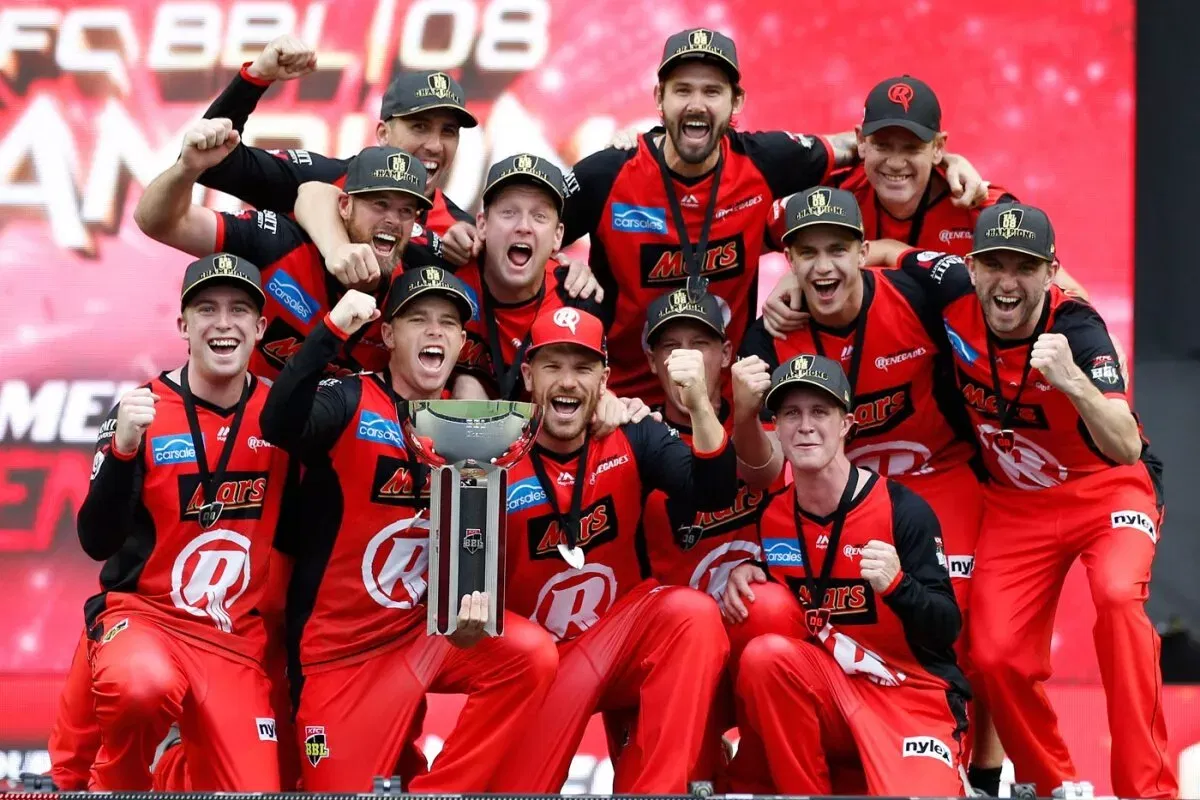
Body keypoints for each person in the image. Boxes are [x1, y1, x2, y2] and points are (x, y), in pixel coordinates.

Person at [869, 204, 1176, 798]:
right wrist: (794, 297)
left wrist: (1073, 382)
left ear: (1051, 271)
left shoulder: (1080, 329)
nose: (1008, 282)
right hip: (1015, 504)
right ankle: (1051, 785)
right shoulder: (949, 283)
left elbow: (1125, 444)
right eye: (995, 265)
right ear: (972, 266)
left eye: (1025, 268)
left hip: (1104, 490)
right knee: (993, 657)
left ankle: (1148, 792)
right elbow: (882, 250)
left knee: (1117, 599)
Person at [544, 29, 986, 406]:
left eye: (712, 92)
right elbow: (521, 239)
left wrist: (947, 160)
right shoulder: (608, 173)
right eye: (683, 90)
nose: (697, 105)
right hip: (622, 401)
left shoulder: (766, 161)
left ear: (737, 102)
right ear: (659, 99)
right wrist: (562, 267)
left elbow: (861, 147)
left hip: (729, 401)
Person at [258, 267, 557, 792]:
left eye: (448, 322)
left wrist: (474, 604)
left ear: (464, 342)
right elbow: (278, 424)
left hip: (423, 636)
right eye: (418, 319)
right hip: (340, 656)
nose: (435, 331)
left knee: (530, 655)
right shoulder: (348, 399)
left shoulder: (477, 426)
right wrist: (330, 329)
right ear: (390, 335)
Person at [487, 307, 736, 792]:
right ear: (527, 375)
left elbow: (713, 490)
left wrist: (701, 405)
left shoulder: (633, 431)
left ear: (604, 377)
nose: (567, 381)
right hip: (537, 663)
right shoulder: (494, 446)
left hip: (619, 640)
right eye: (552, 366)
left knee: (691, 614)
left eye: (582, 368)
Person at [76, 254, 289, 790]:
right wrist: (124, 450)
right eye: (207, 309)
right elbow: (95, 541)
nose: (223, 322)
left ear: (260, 328)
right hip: (149, 619)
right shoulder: (141, 410)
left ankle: (175, 773)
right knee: (140, 686)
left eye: (240, 310)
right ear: (182, 326)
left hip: (234, 639)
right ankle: (116, 785)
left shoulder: (283, 415)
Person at [727, 354, 969, 795]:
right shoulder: (775, 517)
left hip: (909, 692)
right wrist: (751, 571)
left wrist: (900, 586)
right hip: (833, 693)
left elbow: (947, 628)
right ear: (775, 428)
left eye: (820, 411)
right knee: (764, 651)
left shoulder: (902, 510)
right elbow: (800, 571)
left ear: (846, 424)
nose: (804, 426)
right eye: (791, 414)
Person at [135, 121, 436, 380]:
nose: (393, 221)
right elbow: (159, 222)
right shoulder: (278, 242)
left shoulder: (414, 286)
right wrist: (187, 168)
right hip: (248, 432)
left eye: (406, 211)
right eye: (379, 204)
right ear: (344, 206)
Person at [196, 36, 476, 276]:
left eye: (448, 131)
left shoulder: (461, 232)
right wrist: (256, 76)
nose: (436, 145)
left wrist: (479, 250)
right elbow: (212, 162)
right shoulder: (325, 177)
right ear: (383, 134)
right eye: (420, 126)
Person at [449, 153, 607, 400]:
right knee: (465, 386)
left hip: (545, 431)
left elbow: (594, 397)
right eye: (508, 212)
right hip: (453, 432)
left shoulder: (576, 298)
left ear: (558, 236)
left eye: (539, 216)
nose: (523, 226)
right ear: (482, 225)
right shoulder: (448, 279)